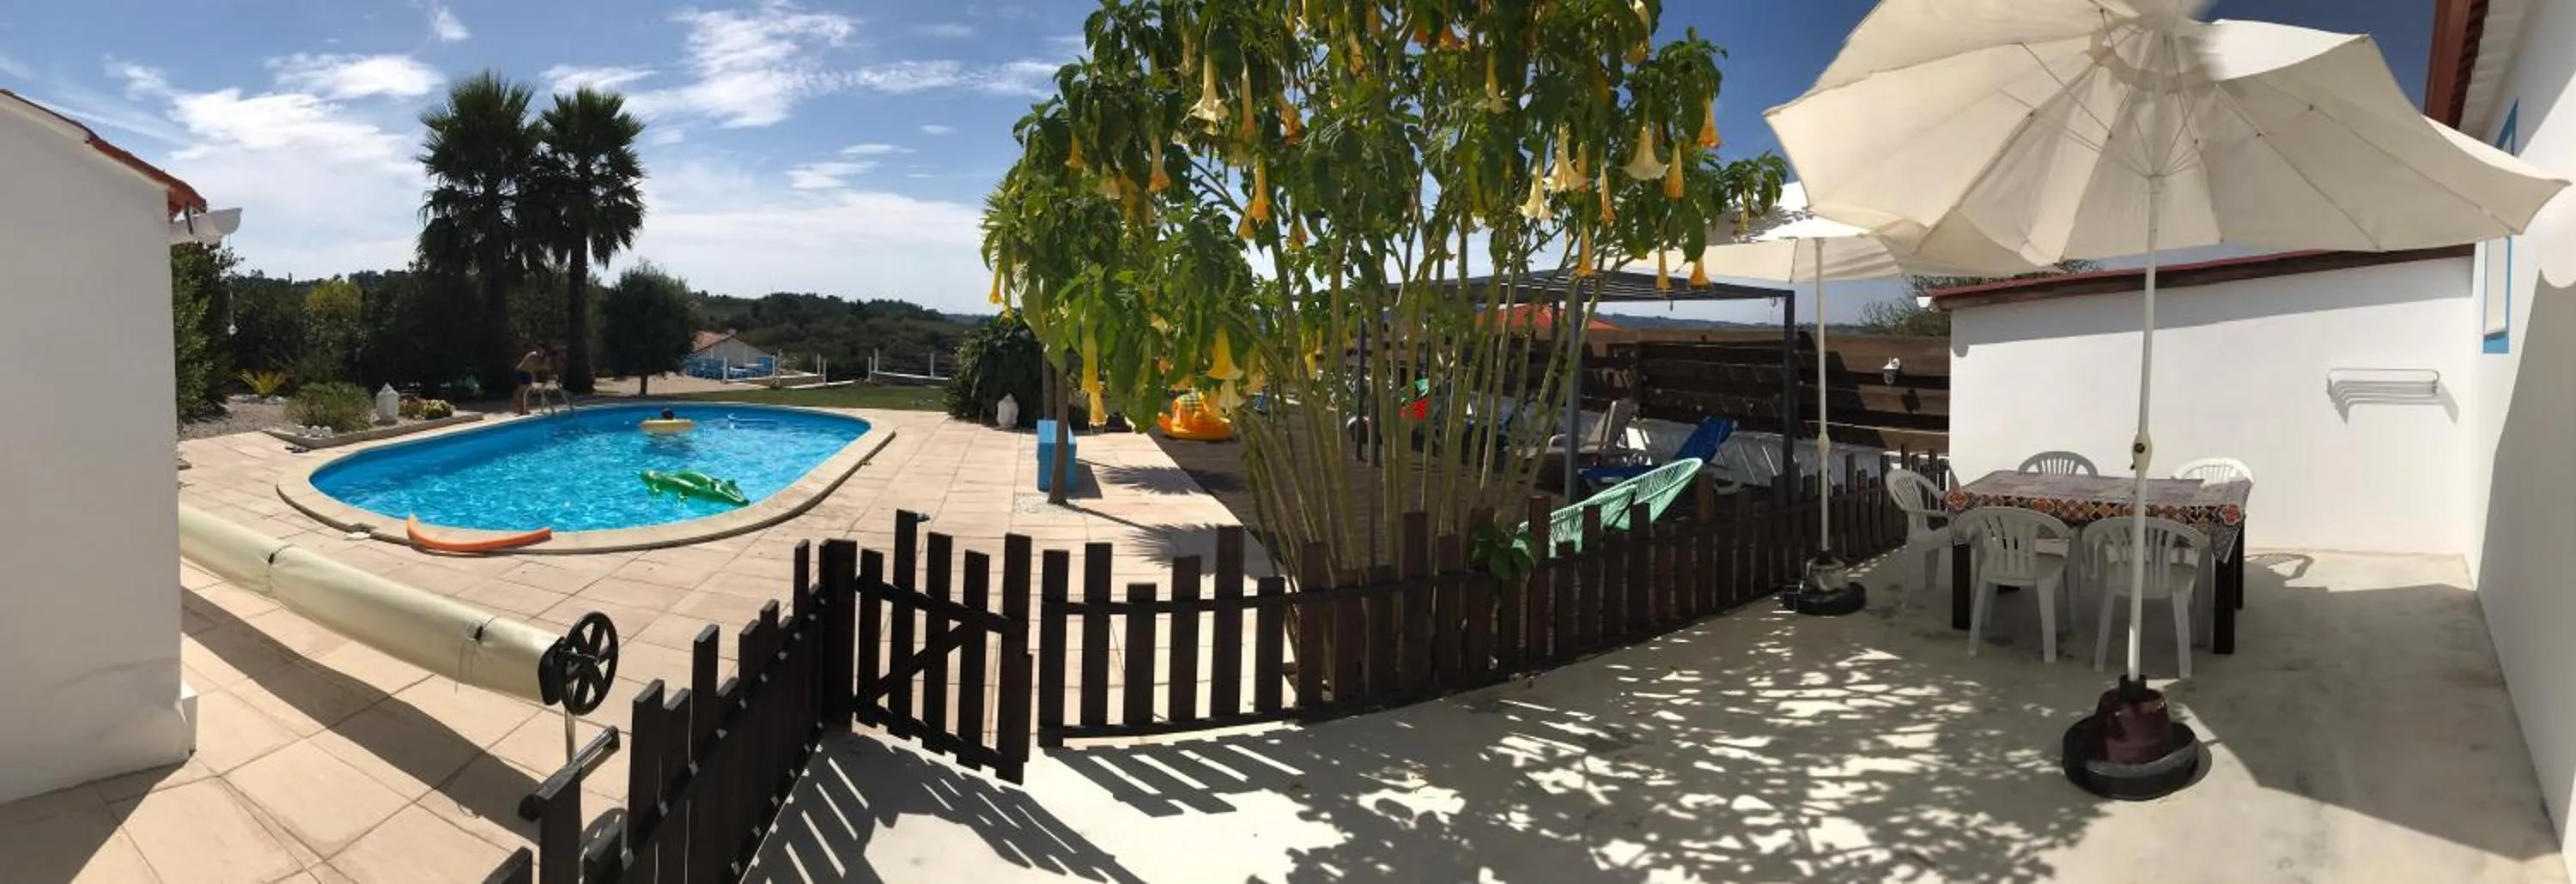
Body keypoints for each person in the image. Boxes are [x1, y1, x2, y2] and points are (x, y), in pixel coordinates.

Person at [513, 343, 553, 415]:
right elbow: (534, 368)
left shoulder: (539, 357)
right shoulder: (533, 355)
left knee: (526, 393)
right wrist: (545, 366)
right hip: (522, 372)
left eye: (542, 351)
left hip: (527, 374)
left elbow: (535, 369)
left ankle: (525, 410)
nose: (541, 352)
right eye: (540, 350)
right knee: (522, 393)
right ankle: (520, 410)